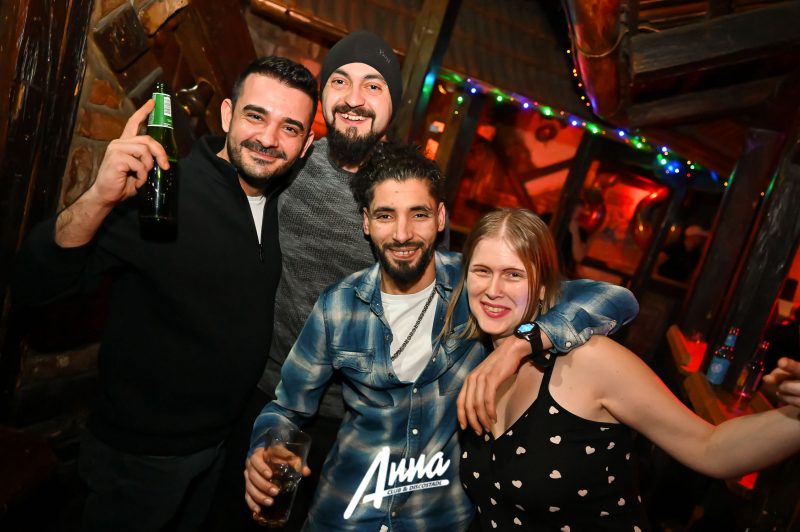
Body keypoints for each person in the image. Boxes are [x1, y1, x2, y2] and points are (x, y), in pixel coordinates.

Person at [244, 142, 639, 531]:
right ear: (366, 223)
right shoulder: (338, 307)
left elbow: (614, 298)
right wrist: (265, 448)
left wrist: (520, 344)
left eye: (418, 214)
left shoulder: (479, 287)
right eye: (385, 215)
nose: (402, 234)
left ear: (440, 217)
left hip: (438, 519)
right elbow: (287, 409)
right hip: (344, 516)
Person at [12, 57, 318, 531]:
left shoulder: (280, 205)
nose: (268, 138)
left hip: (215, 452)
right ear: (227, 115)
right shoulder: (164, 188)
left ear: (306, 144)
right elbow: (35, 284)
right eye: (256, 116)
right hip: (138, 461)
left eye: (290, 127)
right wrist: (98, 199)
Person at [204, 30, 433, 530]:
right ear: (322, 94)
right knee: (236, 518)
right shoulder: (286, 160)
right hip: (263, 395)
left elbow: (432, 305)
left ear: (394, 103)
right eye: (340, 81)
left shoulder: (410, 193)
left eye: (373, 86)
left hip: (355, 421)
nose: (354, 98)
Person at [453, 209, 800, 532]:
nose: (493, 290)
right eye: (482, 271)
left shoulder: (588, 360)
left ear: (542, 286)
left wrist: (795, 419)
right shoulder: (473, 357)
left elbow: (711, 448)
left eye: (513, 275)